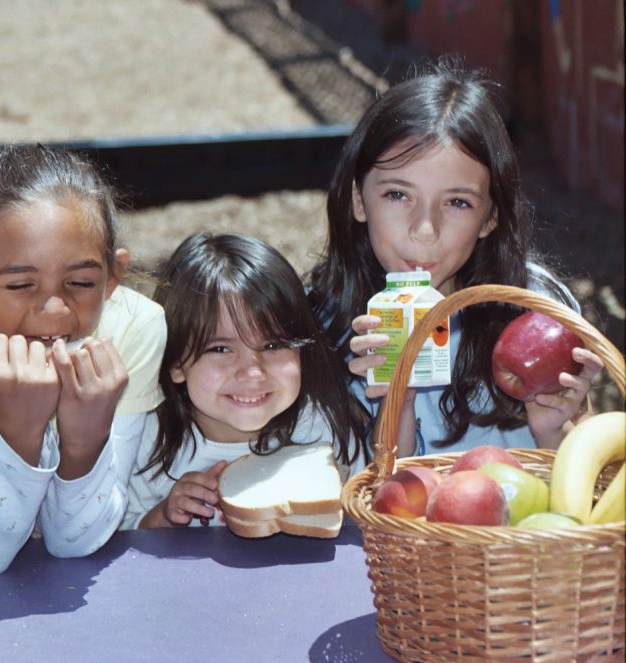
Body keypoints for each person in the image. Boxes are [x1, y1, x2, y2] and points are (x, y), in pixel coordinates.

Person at [306, 61, 602, 459]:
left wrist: (555, 429)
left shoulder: (537, 310)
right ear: (359, 199)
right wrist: (398, 405)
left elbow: (580, 487)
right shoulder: (322, 324)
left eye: (458, 202)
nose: (425, 228)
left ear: (490, 218)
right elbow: (363, 496)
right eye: (398, 194)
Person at [0, 144, 166, 573]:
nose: (54, 311)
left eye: (80, 282)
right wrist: (15, 432)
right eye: (20, 285)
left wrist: (85, 440)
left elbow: (75, 543)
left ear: (113, 277)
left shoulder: (133, 329)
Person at [121, 233, 368, 530]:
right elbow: (121, 542)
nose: (252, 372)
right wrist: (164, 516)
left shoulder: (321, 430)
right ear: (176, 363)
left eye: (273, 346)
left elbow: (361, 529)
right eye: (221, 349)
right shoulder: (149, 440)